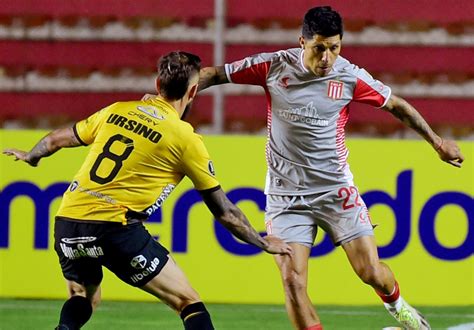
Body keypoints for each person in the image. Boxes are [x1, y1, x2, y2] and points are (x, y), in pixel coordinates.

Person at [192, 6, 465, 330]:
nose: (326, 57)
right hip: (286, 196)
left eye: (334, 48)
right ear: (302, 42)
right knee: (292, 282)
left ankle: (400, 309)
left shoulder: (349, 76)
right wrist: (171, 99)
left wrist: (436, 143)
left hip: (335, 190)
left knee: (370, 272)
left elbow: (396, 105)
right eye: (319, 47)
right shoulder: (273, 66)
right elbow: (214, 74)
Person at [3, 51, 293, 330]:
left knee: (83, 296)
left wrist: (32, 155)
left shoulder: (117, 110)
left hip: (67, 222)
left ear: (157, 84)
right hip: (116, 228)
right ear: (192, 93)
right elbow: (225, 212)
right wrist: (263, 242)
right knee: (188, 302)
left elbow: (55, 139)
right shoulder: (185, 139)